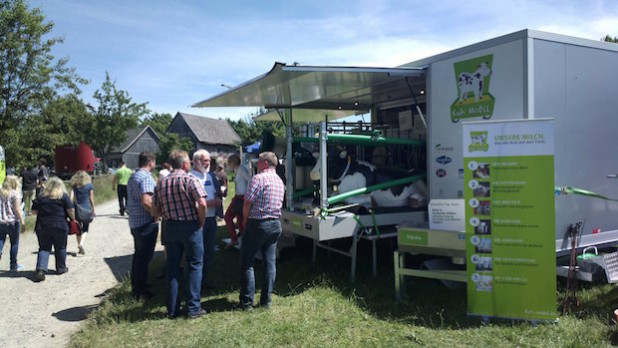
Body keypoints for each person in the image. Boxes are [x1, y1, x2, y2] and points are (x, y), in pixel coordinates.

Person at [152, 150, 208, 319]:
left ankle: (172, 310)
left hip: (171, 227)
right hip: (190, 226)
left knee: (172, 267)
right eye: (189, 162)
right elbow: (203, 203)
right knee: (194, 265)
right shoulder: (190, 179)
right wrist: (200, 221)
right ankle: (193, 308)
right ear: (184, 164)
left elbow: (155, 210)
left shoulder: (161, 182)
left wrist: (167, 213)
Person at [239, 152, 285, 311]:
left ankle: (247, 302)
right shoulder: (279, 180)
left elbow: (247, 202)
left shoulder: (258, 178)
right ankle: (266, 301)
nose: (257, 165)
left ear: (265, 163)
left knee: (247, 261)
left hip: (258, 223)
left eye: (258, 162)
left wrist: (245, 220)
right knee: (269, 263)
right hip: (274, 224)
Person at [189, 150, 222, 290]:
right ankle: (193, 284)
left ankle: (203, 280)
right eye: (205, 160)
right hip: (197, 221)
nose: (208, 163)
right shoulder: (190, 177)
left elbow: (217, 192)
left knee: (209, 252)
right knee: (196, 253)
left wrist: (219, 201)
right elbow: (191, 201)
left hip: (211, 220)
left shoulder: (210, 176)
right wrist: (210, 203)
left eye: (208, 160)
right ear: (196, 161)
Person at [127, 151, 158, 300]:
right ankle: (141, 291)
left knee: (138, 256)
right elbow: (146, 200)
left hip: (135, 222)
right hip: (145, 223)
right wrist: (156, 214)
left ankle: (138, 286)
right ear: (151, 162)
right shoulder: (146, 177)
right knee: (144, 258)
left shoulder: (133, 176)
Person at [32, 177, 75, 282]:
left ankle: (41, 270)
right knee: (60, 247)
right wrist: (73, 219)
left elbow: (33, 212)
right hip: (60, 225)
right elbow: (71, 210)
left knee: (44, 248)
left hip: (43, 226)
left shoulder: (41, 197)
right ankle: (61, 268)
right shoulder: (64, 196)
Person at [0, 175, 26, 271]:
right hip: (12, 222)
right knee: (14, 243)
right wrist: (23, 222)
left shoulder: (1, 192)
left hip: (1, 221)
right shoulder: (15, 194)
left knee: (1, 241)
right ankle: (13, 264)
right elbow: (17, 209)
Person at [224, 154, 250, 246]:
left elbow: (250, 180)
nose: (228, 164)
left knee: (228, 217)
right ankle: (244, 239)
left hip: (241, 197)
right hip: (239, 197)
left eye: (229, 162)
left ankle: (235, 239)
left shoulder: (241, 170)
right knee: (240, 220)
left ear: (233, 162)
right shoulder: (238, 170)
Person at [70, 171, 95, 255]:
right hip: (87, 208)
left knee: (78, 229)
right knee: (85, 228)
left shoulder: (74, 186)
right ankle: (81, 244)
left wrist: (70, 208)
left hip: (77, 209)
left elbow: (71, 198)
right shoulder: (90, 186)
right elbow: (91, 199)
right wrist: (93, 209)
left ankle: (79, 245)